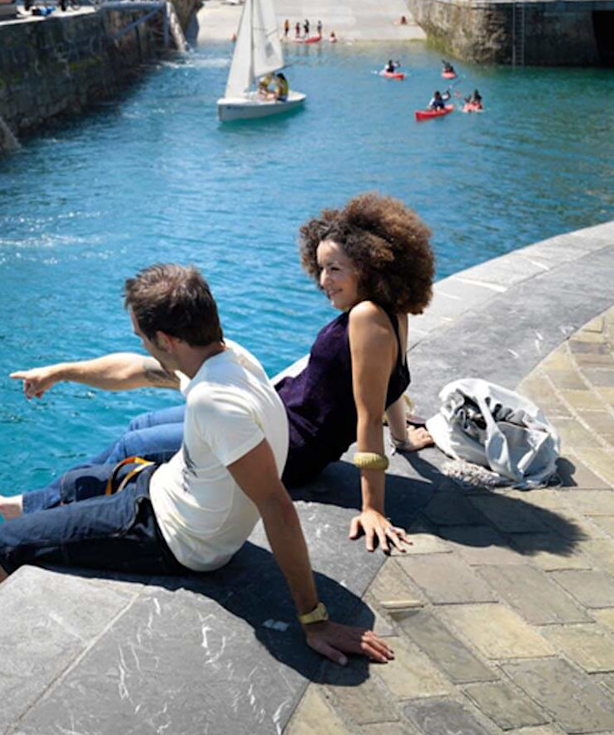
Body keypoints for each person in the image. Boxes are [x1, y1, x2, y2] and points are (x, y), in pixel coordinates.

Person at [0, 265, 393, 667]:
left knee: (4, 543)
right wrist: (59, 372)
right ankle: (30, 507)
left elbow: (277, 506)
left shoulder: (215, 402)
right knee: (78, 481)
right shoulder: (225, 356)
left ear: (165, 339)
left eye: (142, 338)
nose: (142, 346)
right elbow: (137, 370)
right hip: (168, 488)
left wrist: (314, 620)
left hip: (172, 537)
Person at [29, 196, 437, 554]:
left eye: (335, 269)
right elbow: (388, 386)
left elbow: (369, 413)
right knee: (139, 424)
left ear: (369, 264)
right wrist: (402, 438)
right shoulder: (391, 312)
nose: (324, 281)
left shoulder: (366, 318)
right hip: (277, 412)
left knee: (134, 444)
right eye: (321, 268)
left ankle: (35, 509)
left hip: (286, 448)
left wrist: (372, 509)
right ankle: (40, 502)